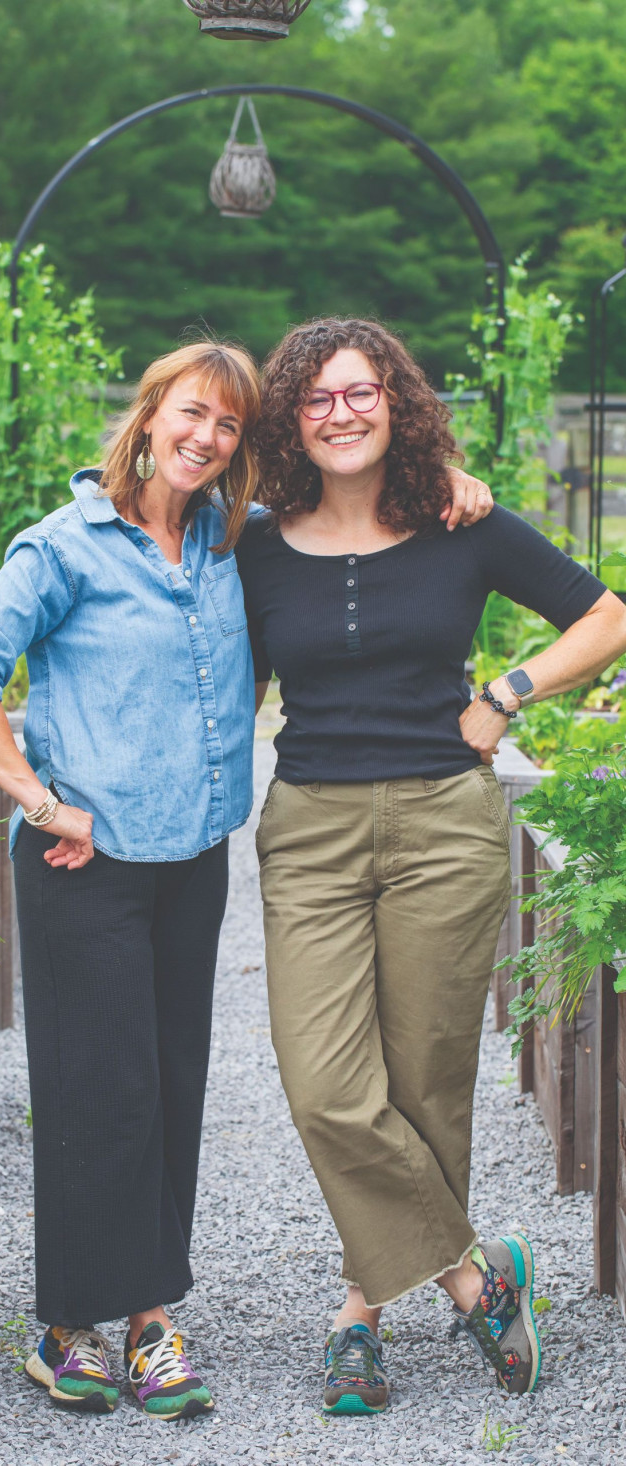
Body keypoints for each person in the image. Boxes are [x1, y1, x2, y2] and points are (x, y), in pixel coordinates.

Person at [0, 337, 492, 1422]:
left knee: (172, 1083)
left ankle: (147, 1317)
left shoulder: (230, 545)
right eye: (191, 413)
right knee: (105, 1092)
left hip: (189, 857)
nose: (205, 437)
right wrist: (39, 799)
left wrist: (453, 482)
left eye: (228, 426)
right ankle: (67, 1325)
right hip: (78, 859)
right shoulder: (63, 545)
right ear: (147, 417)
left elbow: (365, 519)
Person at [236, 316, 626, 1416]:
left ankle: (359, 1312)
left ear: (395, 404)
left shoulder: (463, 522)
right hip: (307, 826)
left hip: (443, 826)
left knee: (422, 1080)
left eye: (360, 393)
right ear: (289, 420)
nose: (340, 413)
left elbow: (603, 617)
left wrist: (502, 698)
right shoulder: (253, 541)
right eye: (315, 399)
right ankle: (471, 1274)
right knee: (324, 1084)